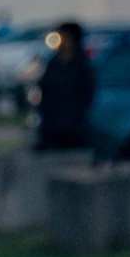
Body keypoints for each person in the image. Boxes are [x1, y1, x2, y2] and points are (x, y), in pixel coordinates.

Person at [35, 18, 96, 155]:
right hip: (52, 125)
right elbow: (45, 88)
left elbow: (87, 92)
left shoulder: (81, 64)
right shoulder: (53, 63)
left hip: (74, 126)